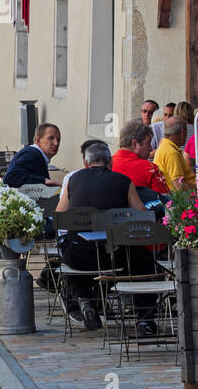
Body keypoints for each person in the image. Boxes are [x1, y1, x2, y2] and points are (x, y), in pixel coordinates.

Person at [53, 140, 149, 330]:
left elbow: (59, 217)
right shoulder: (123, 180)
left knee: (71, 247)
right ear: (110, 163)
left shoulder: (74, 180)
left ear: (86, 164)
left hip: (78, 258)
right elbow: (143, 216)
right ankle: (144, 318)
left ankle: (84, 298)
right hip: (114, 258)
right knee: (142, 258)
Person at [111, 121, 171, 196]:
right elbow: (167, 202)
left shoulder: (107, 165)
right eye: (148, 143)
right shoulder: (150, 168)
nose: (151, 148)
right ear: (135, 144)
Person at [3, 122, 60, 187]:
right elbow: (11, 177)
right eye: (51, 138)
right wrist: (43, 181)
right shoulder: (32, 154)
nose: (56, 143)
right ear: (38, 141)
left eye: (58, 139)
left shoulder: (34, 154)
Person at [153, 116, 195, 195]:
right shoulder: (171, 153)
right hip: (183, 200)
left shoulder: (165, 146)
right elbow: (179, 186)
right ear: (182, 132)